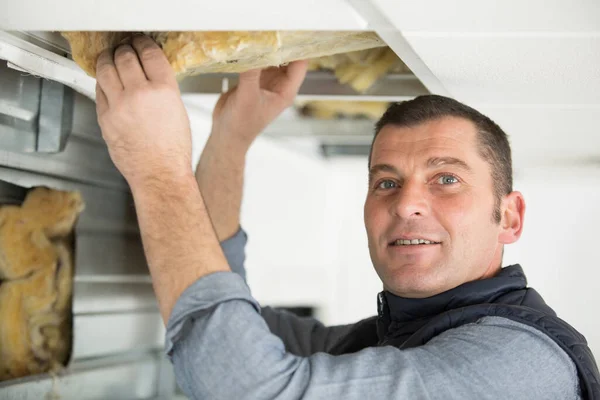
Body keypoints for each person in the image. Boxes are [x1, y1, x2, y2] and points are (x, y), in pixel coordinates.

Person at [95, 35, 600, 400]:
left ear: (509, 217)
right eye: (386, 182)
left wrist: (158, 170)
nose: (405, 204)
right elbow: (226, 324)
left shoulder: (517, 368)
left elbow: (245, 386)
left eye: (446, 179)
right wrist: (233, 133)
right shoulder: (397, 335)